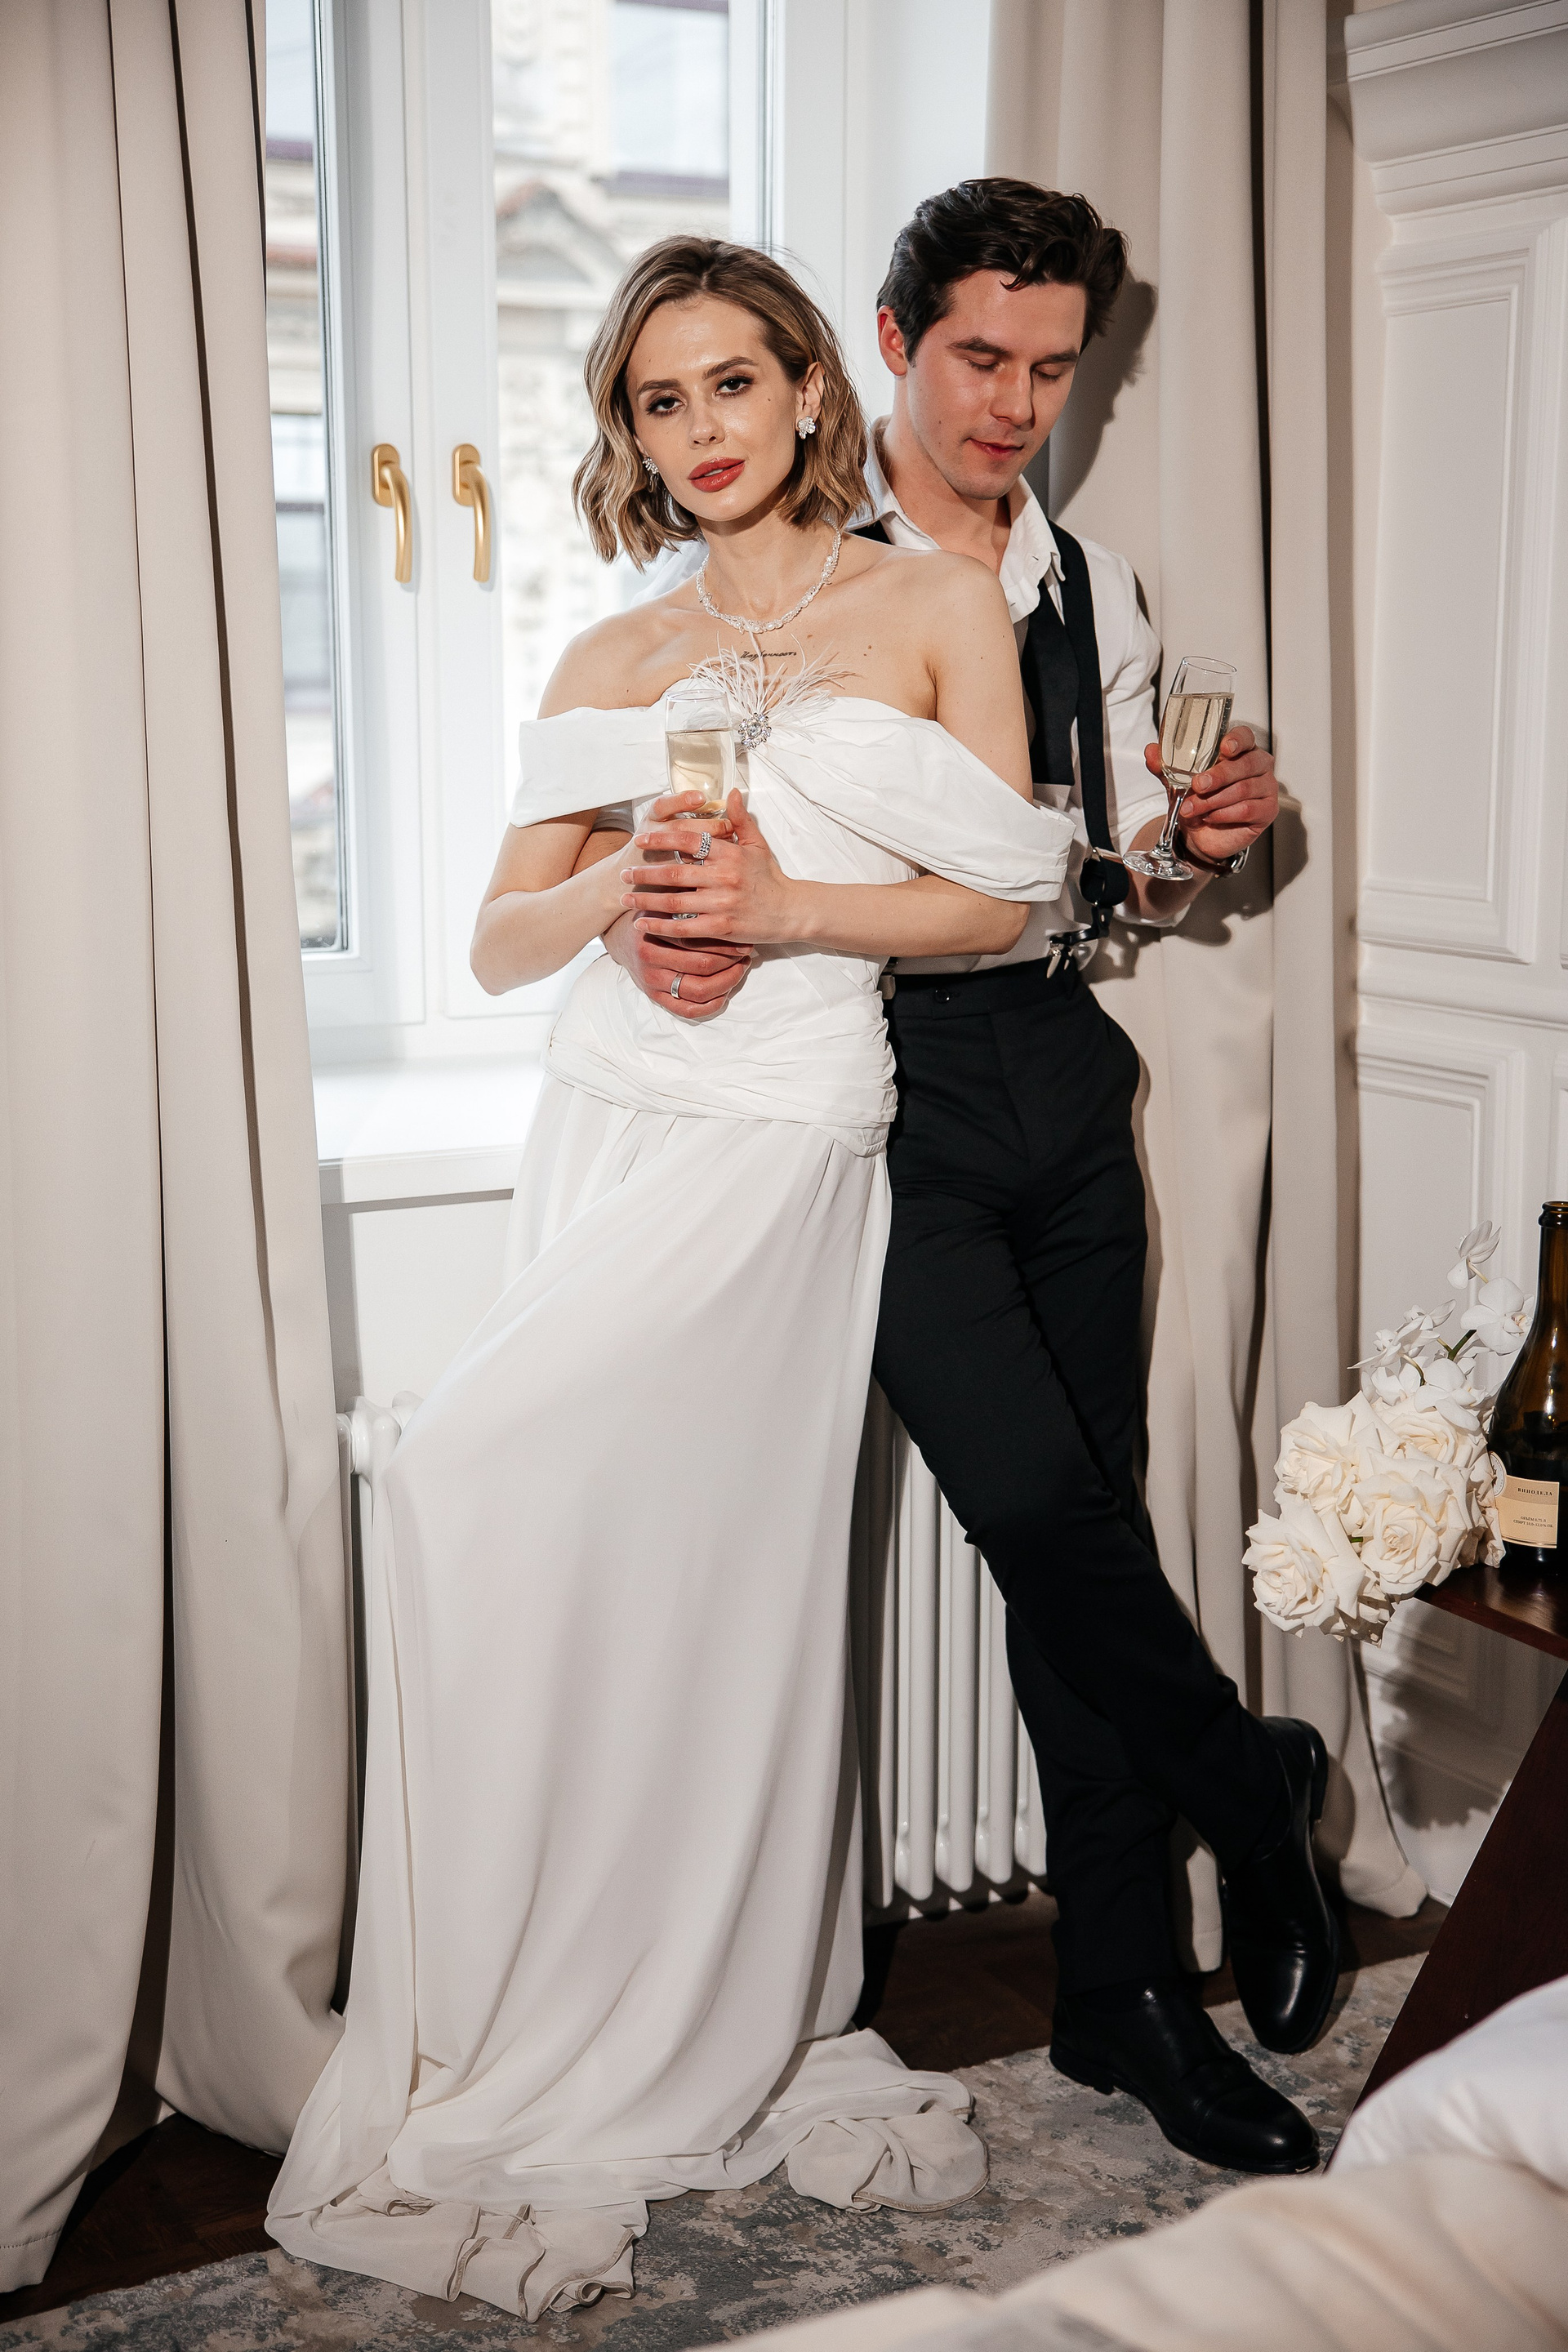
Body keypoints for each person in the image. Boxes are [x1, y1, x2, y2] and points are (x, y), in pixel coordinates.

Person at [266, 238, 1080, 2319]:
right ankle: (549, 1983)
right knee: (530, 1530)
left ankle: (693, 2000)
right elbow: (495, 944)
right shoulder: (610, 654)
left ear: (810, 388)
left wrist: (786, 905)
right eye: (659, 399)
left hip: (785, 1128)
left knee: (663, 1555)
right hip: (610, 1113)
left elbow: (1002, 902)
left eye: (733, 382)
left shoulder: (937, 604)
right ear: (629, 435)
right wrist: (620, 890)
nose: (702, 428)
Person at [606, 183, 1337, 2177]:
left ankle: (1123, 1993)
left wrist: (1197, 844)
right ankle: (1249, 1785)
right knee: (1033, 1508)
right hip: (883, 1090)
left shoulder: (1095, 586)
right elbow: (677, 851)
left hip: (1065, 1080)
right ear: (891, 342)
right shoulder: (787, 564)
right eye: (978, 358)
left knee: (1077, 1536)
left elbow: (1100, 884)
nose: (1013, 403)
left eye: (1051, 367)